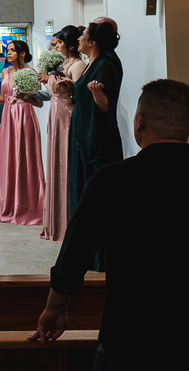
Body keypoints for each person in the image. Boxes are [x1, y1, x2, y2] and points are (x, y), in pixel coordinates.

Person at [32, 79, 189, 370]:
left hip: (127, 339)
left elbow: (75, 251)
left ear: (139, 122)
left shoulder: (111, 179)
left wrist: (56, 307)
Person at [0, 40, 49, 225]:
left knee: (26, 161)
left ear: (23, 53)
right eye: (7, 50)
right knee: (9, 160)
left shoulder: (32, 73)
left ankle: (31, 207)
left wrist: (25, 96)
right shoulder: (6, 72)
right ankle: (10, 207)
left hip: (25, 118)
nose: (8, 54)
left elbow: (39, 102)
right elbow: (4, 98)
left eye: (12, 51)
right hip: (8, 119)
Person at [67, 20, 123, 252]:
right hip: (83, 131)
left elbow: (105, 106)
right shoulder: (93, 63)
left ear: (93, 42)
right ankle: (83, 249)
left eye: (84, 36)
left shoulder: (106, 65)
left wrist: (97, 92)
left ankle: (98, 253)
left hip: (96, 136)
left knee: (95, 194)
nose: (78, 38)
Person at [38, 26, 86, 242]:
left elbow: (80, 91)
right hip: (55, 116)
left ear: (70, 45)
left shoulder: (77, 65)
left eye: (58, 44)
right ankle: (54, 221)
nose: (55, 47)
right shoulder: (63, 64)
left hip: (67, 115)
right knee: (55, 165)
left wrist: (70, 85)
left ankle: (66, 223)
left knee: (65, 164)